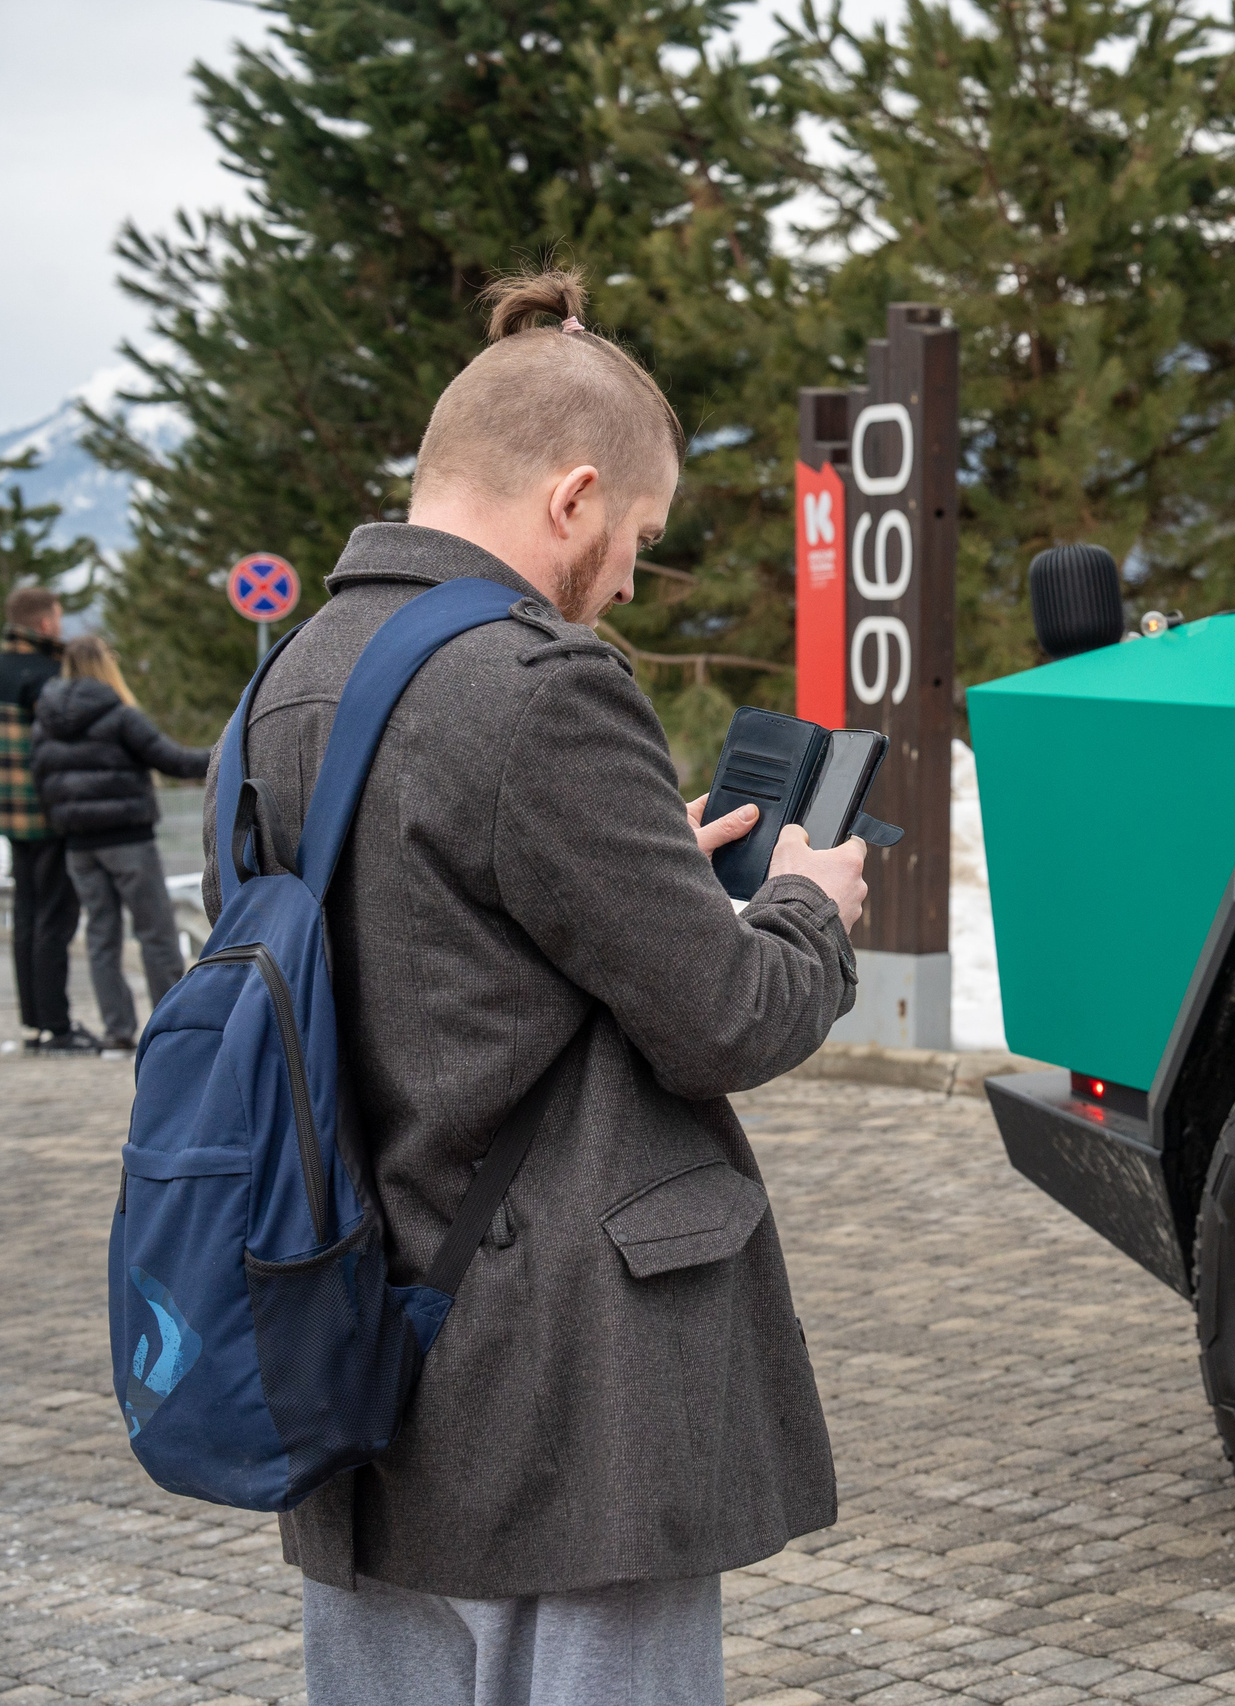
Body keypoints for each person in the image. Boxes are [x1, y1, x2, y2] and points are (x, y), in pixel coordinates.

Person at [206, 267, 866, 1705]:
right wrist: (812, 904)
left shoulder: (280, 688)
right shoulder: (543, 685)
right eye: (638, 539)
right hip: (569, 1392)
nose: (626, 582)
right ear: (574, 498)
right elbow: (728, 1016)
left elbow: (414, 942)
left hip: (351, 1354)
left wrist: (634, 868)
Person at [31, 636, 211, 1050]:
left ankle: (117, 1029)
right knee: (156, 933)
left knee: (101, 937)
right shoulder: (119, 716)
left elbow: (41, 782)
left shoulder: (45, 722)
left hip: (79, 846)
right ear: (105, 665)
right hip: (128, 840)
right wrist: (228, 749)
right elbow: (174, 760)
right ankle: (173, 1026)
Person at [0, 587, 90, 1051]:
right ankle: (57, 1025)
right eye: (57, 619)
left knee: (25, 916)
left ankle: (34, 1022)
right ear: (44, 623)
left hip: (8, 813)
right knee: (55, 918)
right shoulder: (45, 676)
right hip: (50, 811)